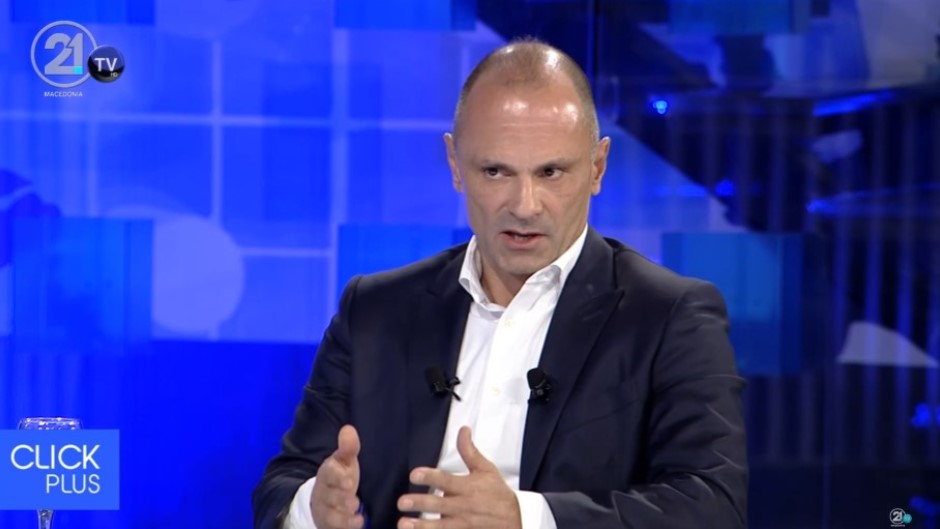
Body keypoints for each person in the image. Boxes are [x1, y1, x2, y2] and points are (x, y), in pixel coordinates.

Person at [252, 38, 748, 529]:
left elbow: (713, 506)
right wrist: (313, 508)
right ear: (455, 165)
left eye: (551, 172)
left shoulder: (669, 316)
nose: (525, 205)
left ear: (597, 168)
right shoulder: (376, 309)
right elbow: (284, 484)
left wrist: (525, 519)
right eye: (495, 171)